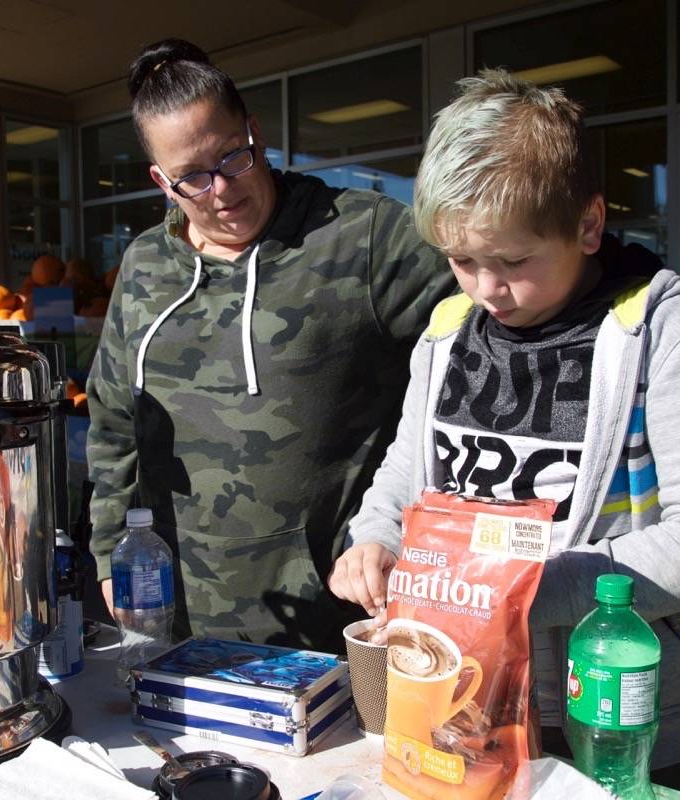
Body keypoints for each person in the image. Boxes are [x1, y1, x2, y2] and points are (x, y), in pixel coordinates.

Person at [328, 71, 680, 773]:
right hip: (460, 703)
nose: (484, 287)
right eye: (461, 260)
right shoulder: (448, 329)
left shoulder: (667, 333)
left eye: (512, 261)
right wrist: (377, 533)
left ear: (588, 225)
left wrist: (519, 595)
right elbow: (407, 469)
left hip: (610, 714)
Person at [86, 39, 454, 654]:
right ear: (160, 181)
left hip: (338, 616)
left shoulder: (362, 237)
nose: (222, 190)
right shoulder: (146, 264)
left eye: (234, 157)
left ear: (255, 133)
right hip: (180, 623)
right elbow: (114, 421)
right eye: (192, 179)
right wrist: (108, 551)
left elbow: (483, 310)